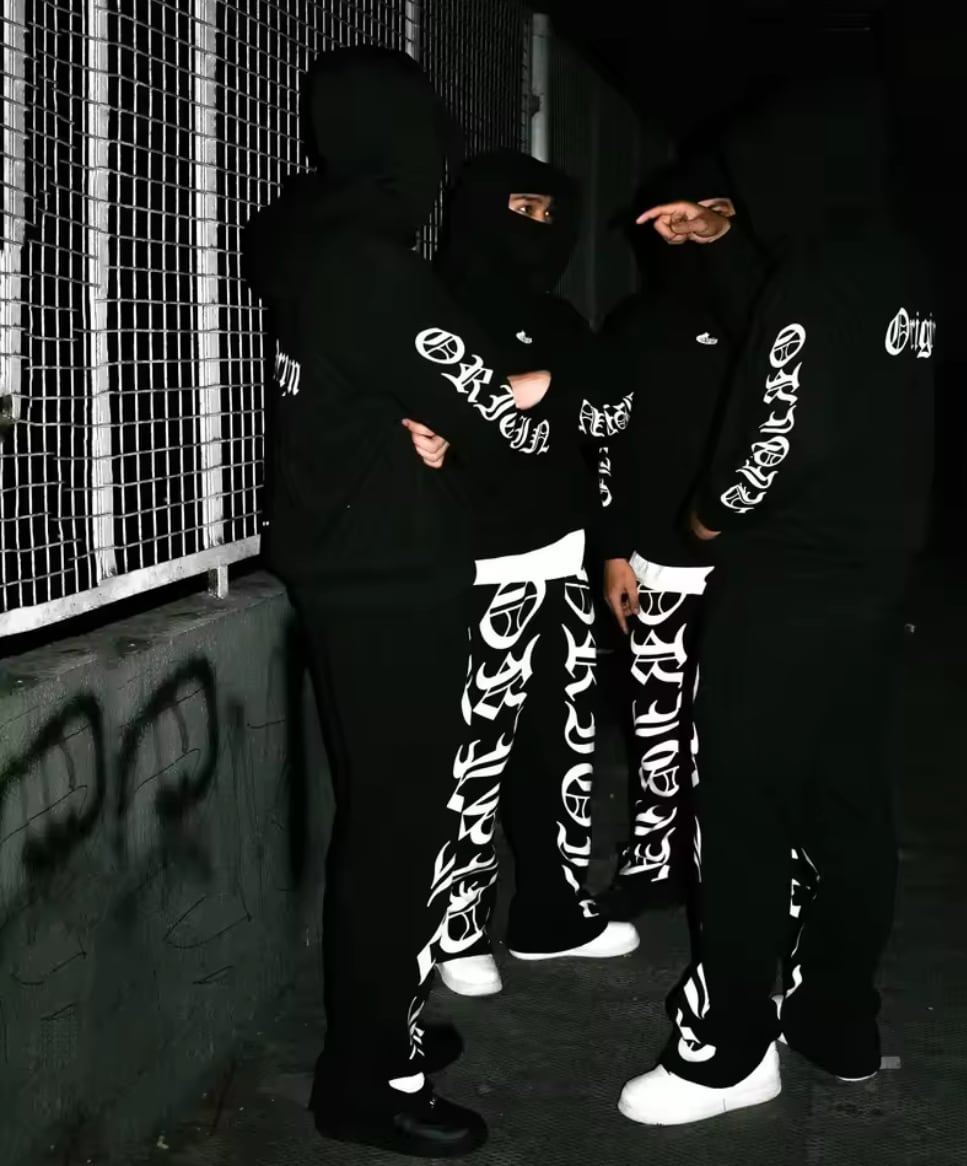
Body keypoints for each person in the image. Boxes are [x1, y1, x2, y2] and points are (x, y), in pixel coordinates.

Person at [244, 47, 557, 1158]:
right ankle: (366, 1080)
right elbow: (503, 426)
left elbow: (412, 397)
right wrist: (542, 385)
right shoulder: (375, 270)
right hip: (388, 578)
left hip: (346, 565)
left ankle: (384, 1025)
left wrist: (438, 415)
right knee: (398, 831)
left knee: (384, 820)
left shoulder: (308, 248)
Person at [617, 77, 935, 1125]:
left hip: (784, 586)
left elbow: (775, 430)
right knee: (849, 807)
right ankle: (837, 1022)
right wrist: (721, 245)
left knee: (741, 815)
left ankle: (728, 1052)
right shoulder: (899, 266)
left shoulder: (812, 275)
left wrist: (708, 514)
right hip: (869, 586)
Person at [404, 150, 639, 1000]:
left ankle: (551, 914)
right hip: (476, 569)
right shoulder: (431, 308)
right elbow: (427, 419)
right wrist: (540, 388)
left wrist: (533, 385)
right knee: (471, 762)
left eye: (550, 215)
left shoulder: (556, 317)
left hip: (563, 561)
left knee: (560, 751)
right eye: (523, 209)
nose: (540, 229)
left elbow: (612, 412)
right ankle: (458, 931)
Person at [593, 157, 741, 921]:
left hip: (754, 565)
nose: (684, 235)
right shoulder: (636, 323)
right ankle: (653, 860)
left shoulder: (768, 314)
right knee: (655, 724)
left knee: (740, 728)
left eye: (707, 216)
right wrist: (613, 550)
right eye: (669, 223)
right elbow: (608, 443)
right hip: (657, 560)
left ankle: (737, 868)